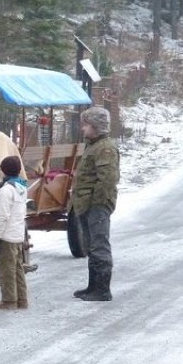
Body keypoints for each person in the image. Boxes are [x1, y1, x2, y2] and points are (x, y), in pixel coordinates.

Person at [72, 106, 120, 302]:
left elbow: (107, 180)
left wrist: (96, 204)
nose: (83, 128)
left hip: (97, 206)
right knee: (92, 246)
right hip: (88, 204)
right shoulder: (94, 145)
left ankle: (102, 290)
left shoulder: (105, 148)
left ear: (96, 127)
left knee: (99, 245)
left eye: (86, 125)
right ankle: (93, 286)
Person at [0, 155, 29, 310]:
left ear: (4, 171)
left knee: (6, 269)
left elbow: (1, 216)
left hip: (6, 235)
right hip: (18, 234)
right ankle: (22, 299)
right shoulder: (21, 187)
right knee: (18, 268)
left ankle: (9, 300)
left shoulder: (6, 191)